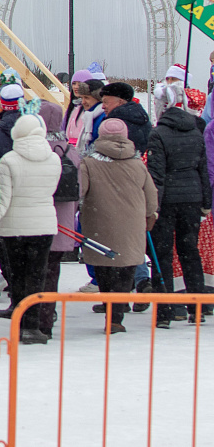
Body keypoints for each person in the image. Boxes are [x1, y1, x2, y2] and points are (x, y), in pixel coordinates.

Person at [0, 114, 61, 344]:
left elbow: (3, 199)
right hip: (45, 225)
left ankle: (20, 323)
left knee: (17, 277)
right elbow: (50, 192)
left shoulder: (9, 160)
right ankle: (33, 325)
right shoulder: (54, 159)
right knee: (38, 276)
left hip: (14, 227)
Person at [81, 118, 158, 332]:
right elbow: (151, 194)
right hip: (132, 223)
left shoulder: (89, 162)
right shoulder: (137, 163)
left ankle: (110, 308)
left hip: (99, 223)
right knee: (126, 270)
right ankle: (116, 317)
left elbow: (81, 191)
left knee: (104, 269)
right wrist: (150, 215)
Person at [145, 83, 211, 327]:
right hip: (191, 198)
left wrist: (153, 206)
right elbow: (201, 168)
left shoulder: (158, 133)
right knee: (189, 251)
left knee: (162, 254)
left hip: (167, 200)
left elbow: (157, 174)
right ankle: (197, 308)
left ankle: (164, 311)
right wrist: (205, 201)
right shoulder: (194, 131)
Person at [37, 100, 81, 338]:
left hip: (36, 221)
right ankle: (47, 315)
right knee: (52, 270)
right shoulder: (70, 151)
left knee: (33, 270)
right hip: (62, 222)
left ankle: (32, 315)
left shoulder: (34, 148)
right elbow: (80, 189)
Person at [100, 81, 152, 153]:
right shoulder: (141, 118)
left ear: (120, 102)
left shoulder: (116, 125)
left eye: (106, 102)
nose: (103, 107)